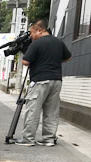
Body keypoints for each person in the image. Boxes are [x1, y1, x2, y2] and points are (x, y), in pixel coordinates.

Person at [16, 19, 72, 147]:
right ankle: (49, 139)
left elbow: (25, 61)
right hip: (56, 80)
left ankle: (28, 138)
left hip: (40, 80)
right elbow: (68, 57)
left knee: (33, 110)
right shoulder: (58, 42)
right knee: (51, 111)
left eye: (32, 32)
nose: (31, 36)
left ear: (39, 30)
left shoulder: (36, 44)